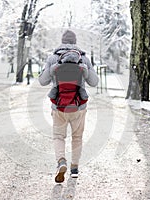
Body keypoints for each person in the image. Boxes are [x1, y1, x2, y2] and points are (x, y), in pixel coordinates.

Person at [38, 30, 99, 183]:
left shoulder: (53, 58)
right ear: (75, 41)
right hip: (79, 106)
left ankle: (61, 162)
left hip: (59, 106)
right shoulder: (83, 58)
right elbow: (94, 82)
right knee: (77, 137)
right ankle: (74, 168)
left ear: (62, 41)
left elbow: (42, 81)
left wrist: (52, 70)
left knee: (59, 136)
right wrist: (85, 71)